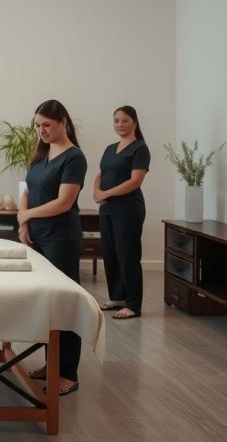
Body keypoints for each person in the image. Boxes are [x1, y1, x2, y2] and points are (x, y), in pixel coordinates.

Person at [17, 99, 86, 397]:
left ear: (63, 123)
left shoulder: (74, 158)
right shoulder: (40, 155)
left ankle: (67, 372)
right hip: (37, 238)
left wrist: (28, 215)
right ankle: (51, 363)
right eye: (37, 125)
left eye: (46, 125)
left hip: (61, 239)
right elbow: (26, 189)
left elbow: (64, 202)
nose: (41, 131)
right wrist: (23, 222)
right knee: (45, 303)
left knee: (64, 302)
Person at [94, 106, 150, 320]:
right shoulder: (110, 148)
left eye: (124, 120)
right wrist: (96, 192)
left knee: (128, 255)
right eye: (116, 120)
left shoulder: (140, 148)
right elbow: (100, 173)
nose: (120, 124)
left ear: (134, 122)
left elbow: (135, 181)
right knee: (110, 253)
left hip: (128, 210)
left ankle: (133, 304)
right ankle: (117, 296)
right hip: (107, 208)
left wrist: (106, 192)